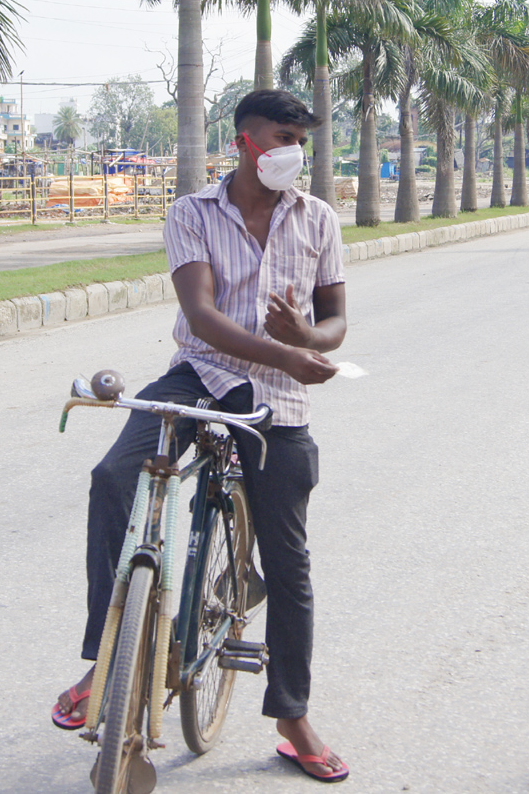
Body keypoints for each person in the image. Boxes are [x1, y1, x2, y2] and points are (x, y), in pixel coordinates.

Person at [53, 89, 350, 783]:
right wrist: (283, 350)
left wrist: (307, 339)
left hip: (277, 397)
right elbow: (202, 313)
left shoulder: (319, 219)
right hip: (200, 373)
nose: (295, 152)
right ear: (246, 140)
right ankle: (107, 660)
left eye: (302, 140)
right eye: (284, 136)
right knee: (112, 477)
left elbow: (336, 318)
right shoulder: (192, 212)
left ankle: (292, 714)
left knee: (289, 560)